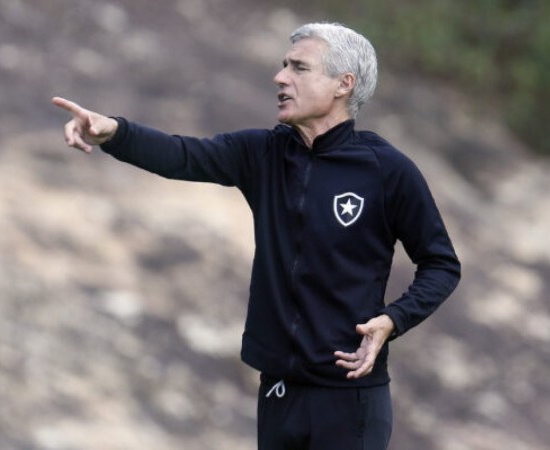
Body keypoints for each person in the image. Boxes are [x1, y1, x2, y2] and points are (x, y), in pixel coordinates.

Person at [52, 22, 460, 450]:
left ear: (344, 84)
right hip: (278, 393)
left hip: (350, 399)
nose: (280, 77)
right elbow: (182, 155)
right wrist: (114, 132)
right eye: (284, 66)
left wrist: (394, 319)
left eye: (299, 68)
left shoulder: (386, 170)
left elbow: (442, 264)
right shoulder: (262, 154)